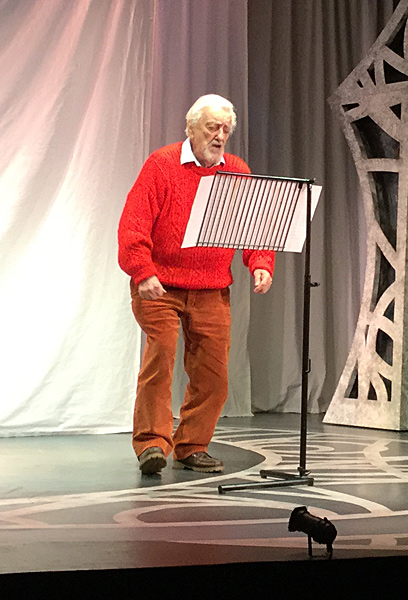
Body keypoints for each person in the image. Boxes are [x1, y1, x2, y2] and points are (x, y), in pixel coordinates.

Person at [118, 94, 275, 475]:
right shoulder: (162, 164)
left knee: (213, 374)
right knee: (161, 357)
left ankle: (191, 445)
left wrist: (260, 262)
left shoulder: (236, 171)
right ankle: (152, 444)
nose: (219, 136)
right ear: (191, 128)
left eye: (225, 129)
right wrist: (142, 271)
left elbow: (254, 225)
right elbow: (133, 224)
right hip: (160, 285)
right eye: (212, 128)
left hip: (211, 287)